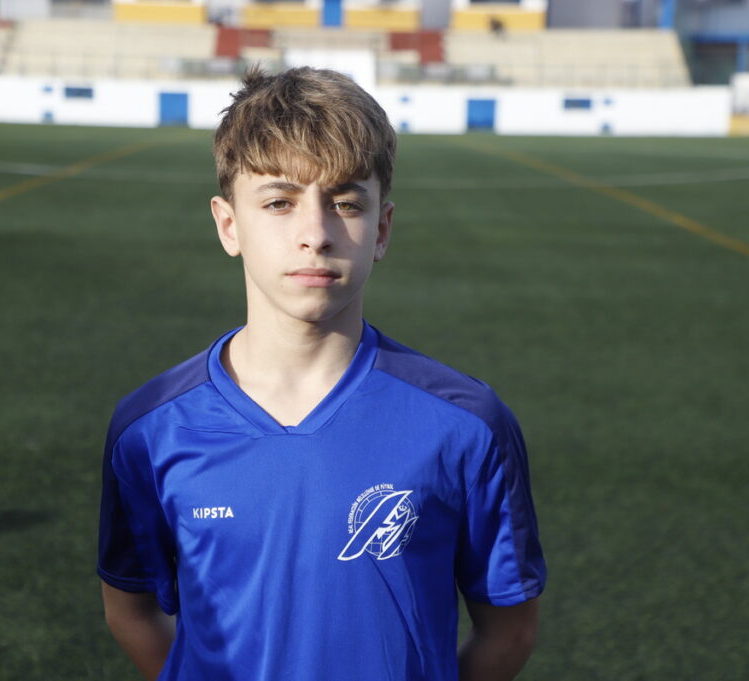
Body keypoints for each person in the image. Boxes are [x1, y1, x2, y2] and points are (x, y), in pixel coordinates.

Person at [98, 66, 546, 681]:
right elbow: (130, 609)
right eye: (280, 202)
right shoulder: (150, 430)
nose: (315, 234)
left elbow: (511, 627)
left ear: (381, 229)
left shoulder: (466, 424)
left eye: (344, 203)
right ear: (229, 224)